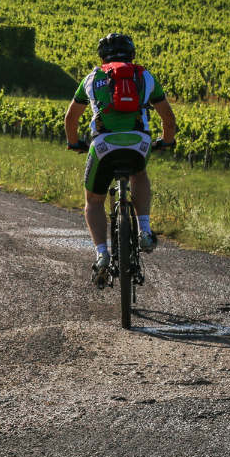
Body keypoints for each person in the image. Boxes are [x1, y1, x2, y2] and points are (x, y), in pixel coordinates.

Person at [64, 32, 176, 286]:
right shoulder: (145, 77)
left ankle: (102, 254)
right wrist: (166, 141)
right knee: (139, 174)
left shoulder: (92, 79)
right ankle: (144, 230)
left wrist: (74, 143)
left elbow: (71, 118)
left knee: (93, 201)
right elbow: (168, 119)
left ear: (102, 57)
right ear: (132, 54)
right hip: (138, 143)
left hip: (103, 146)